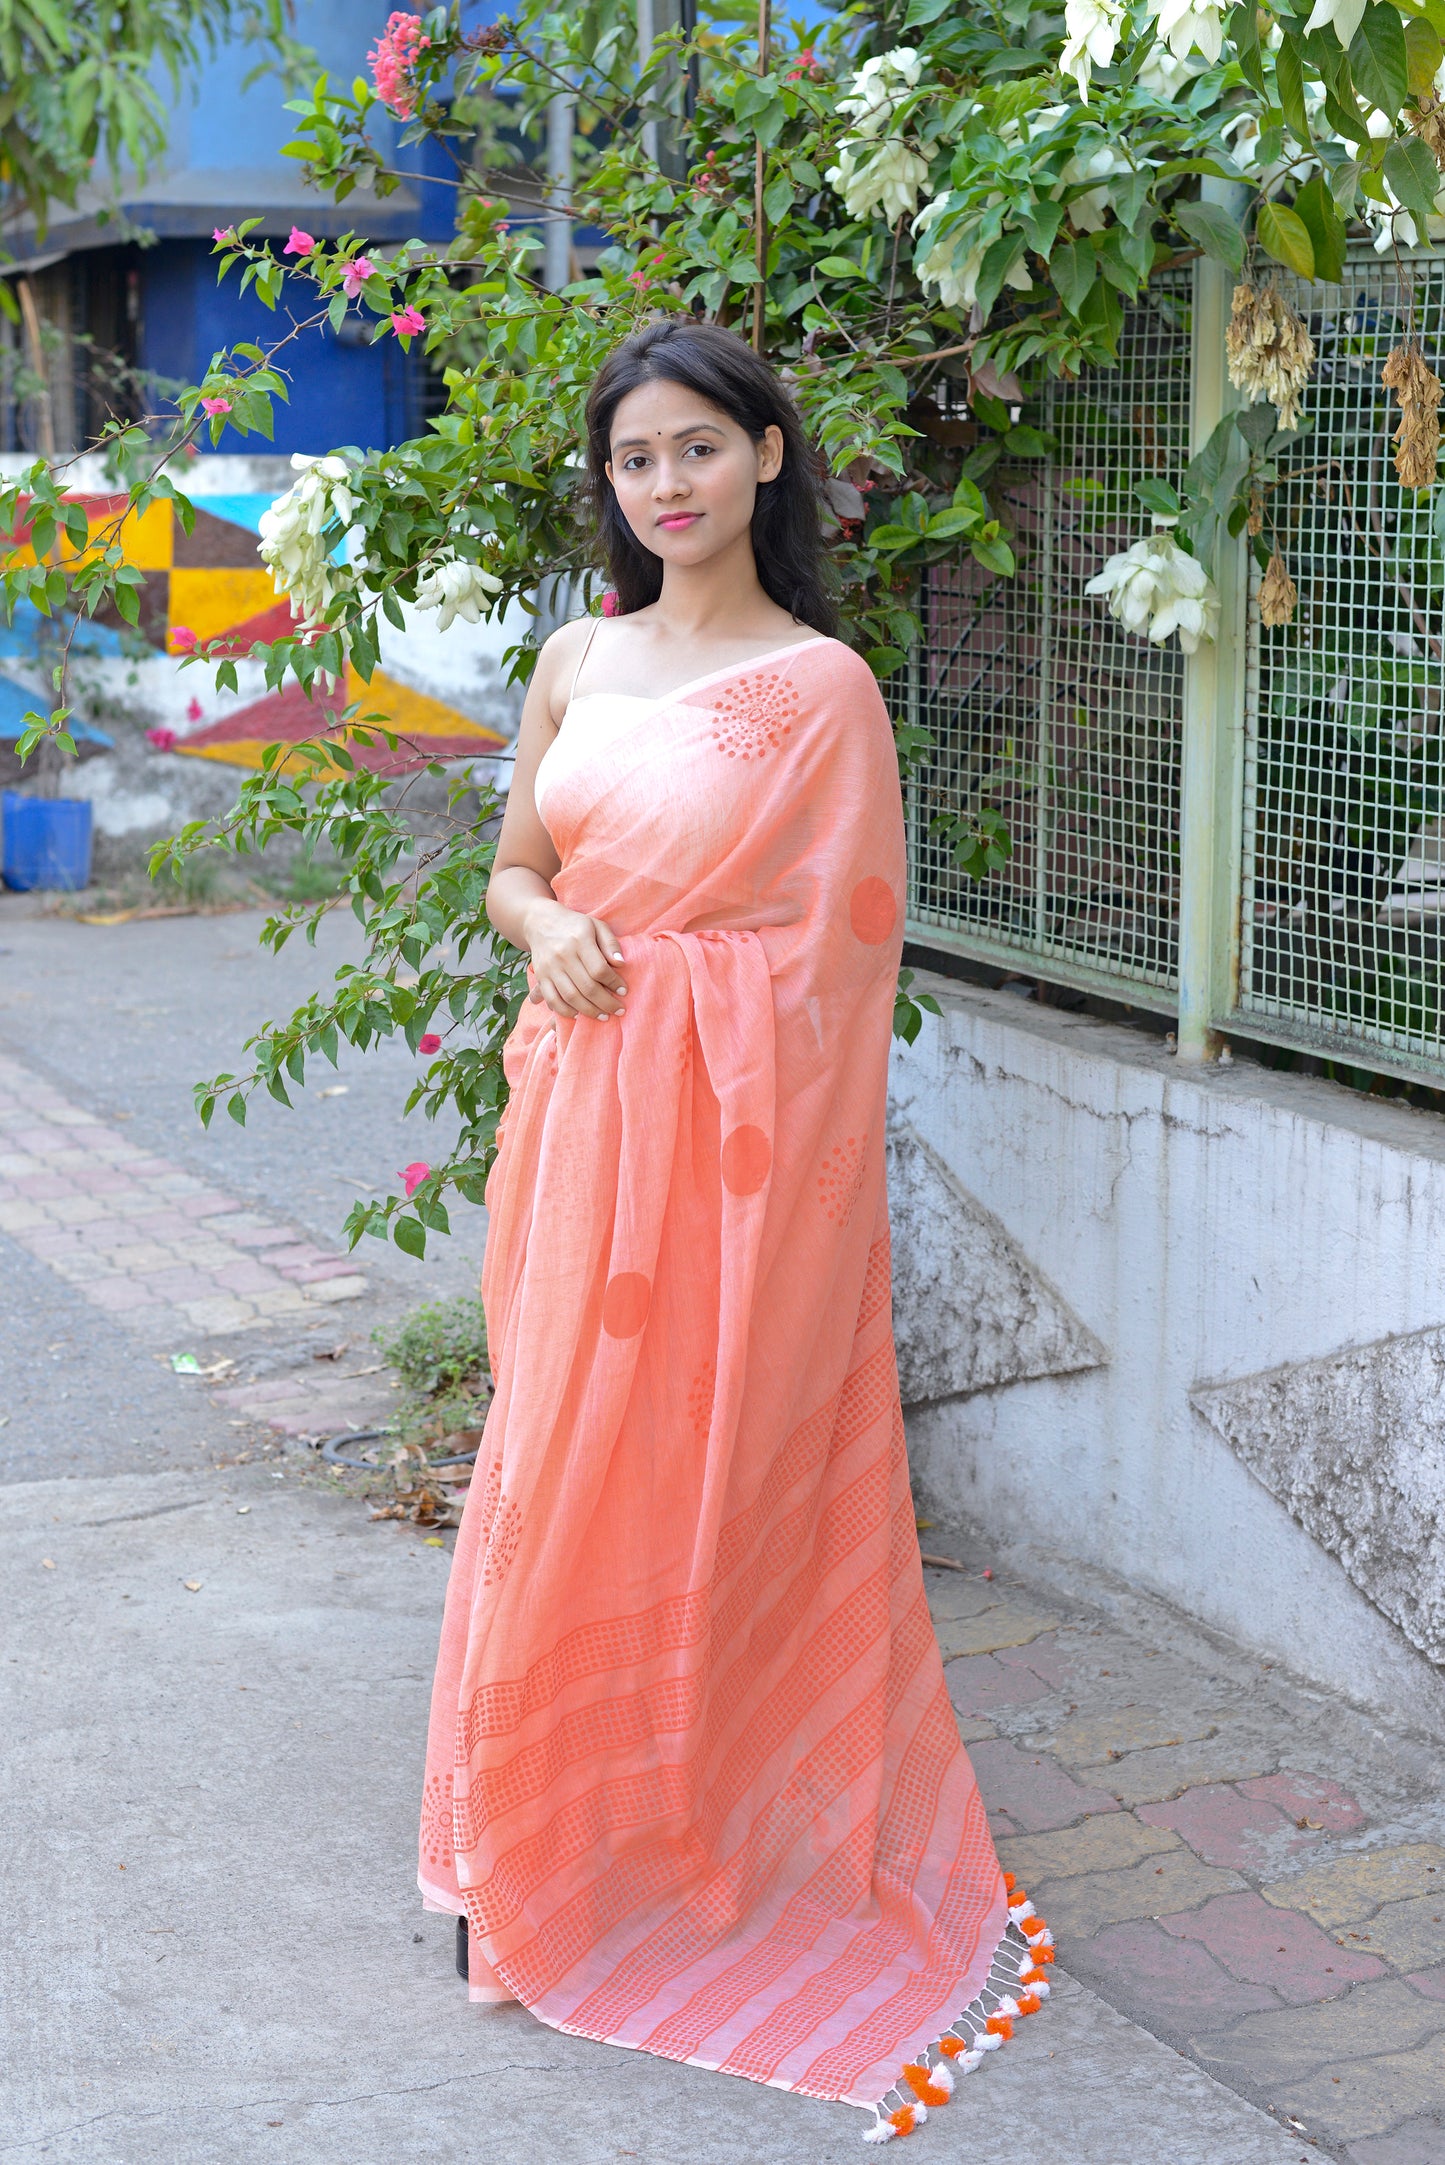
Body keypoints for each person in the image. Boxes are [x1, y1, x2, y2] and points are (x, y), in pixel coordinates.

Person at [416, 317, 1051, 2144]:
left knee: (690, 1469)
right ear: (610, 489)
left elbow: (843, 959)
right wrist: (542, 927)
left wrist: (685, 993)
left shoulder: (816, 689)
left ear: (765, 456)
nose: (667, 483)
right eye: (635, 459)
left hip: (730, 1170)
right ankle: (523, 1842)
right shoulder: (577, 659)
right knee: (551, 1457)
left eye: (698, 446)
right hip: (580, 1141)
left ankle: (671, 1847)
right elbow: (515, 862)